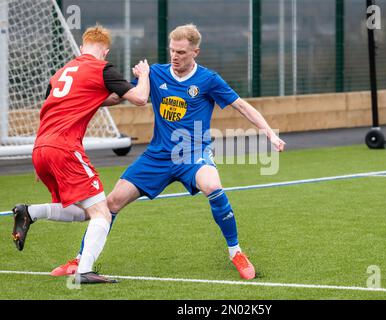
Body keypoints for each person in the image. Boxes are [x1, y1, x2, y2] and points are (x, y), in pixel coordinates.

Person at [51, 23, 286, 280]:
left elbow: (242, 106)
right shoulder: (156, 74)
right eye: (172, 50)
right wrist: (75, 96)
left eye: (182, 52)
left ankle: (236, 252)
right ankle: (80, 260)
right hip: (157, 156)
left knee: (213, 186)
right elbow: (120, 97)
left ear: (195, 52)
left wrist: (270, 133)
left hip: (191, 153)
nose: (175, 56)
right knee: (110, 204)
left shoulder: (208, 79)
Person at [11, 25, 150, 284]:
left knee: (85, 211)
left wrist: (118, 91)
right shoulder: (102, 69)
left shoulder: (61, 73)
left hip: (41, 149)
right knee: (103, 213)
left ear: (82, 47)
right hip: (65, 148)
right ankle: (84, 271)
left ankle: (30, 212)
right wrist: (144, 75)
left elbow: (88, 100)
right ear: (105, 52)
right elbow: (141, 98)